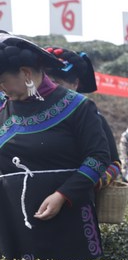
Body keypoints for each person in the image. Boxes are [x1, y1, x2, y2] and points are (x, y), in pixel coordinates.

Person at [0, 32, 111, 260]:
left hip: (68, 222)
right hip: (14, 226)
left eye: (2, 81)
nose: (1, 89)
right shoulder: (4, 110)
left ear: (26, 73)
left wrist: (62, 195)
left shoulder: (78, 107)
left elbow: (98, 158)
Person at [44, 46, 122, 187]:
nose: (50, 90)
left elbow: (114, 164)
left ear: (75, 84)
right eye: (46, 84)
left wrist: (86, 183)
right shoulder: (26, 115)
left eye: (57, 84)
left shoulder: (92, 117)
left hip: (75, 198)